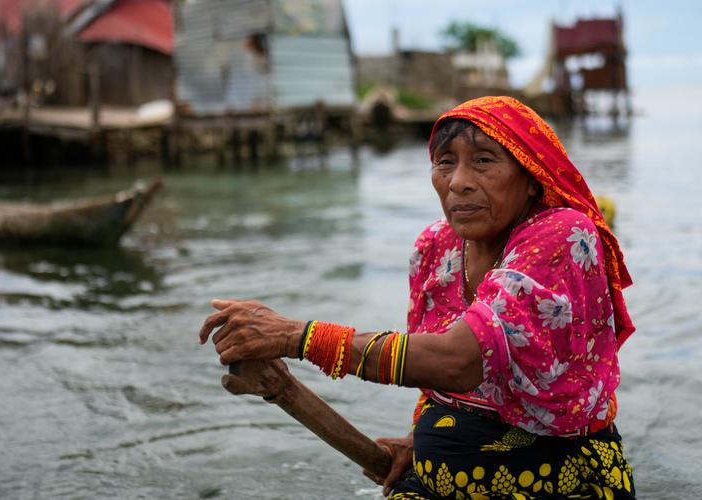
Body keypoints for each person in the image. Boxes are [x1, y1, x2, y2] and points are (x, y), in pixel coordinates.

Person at [199, 96, 636, 499]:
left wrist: (295, 336)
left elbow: (458, 360)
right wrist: (418, 437)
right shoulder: (436, 246)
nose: (458, 182)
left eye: (484, 161)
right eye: (445, 162)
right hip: (430, 480)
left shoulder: (560, 234)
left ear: (531, 179)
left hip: (555, 484)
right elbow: (431, 370)